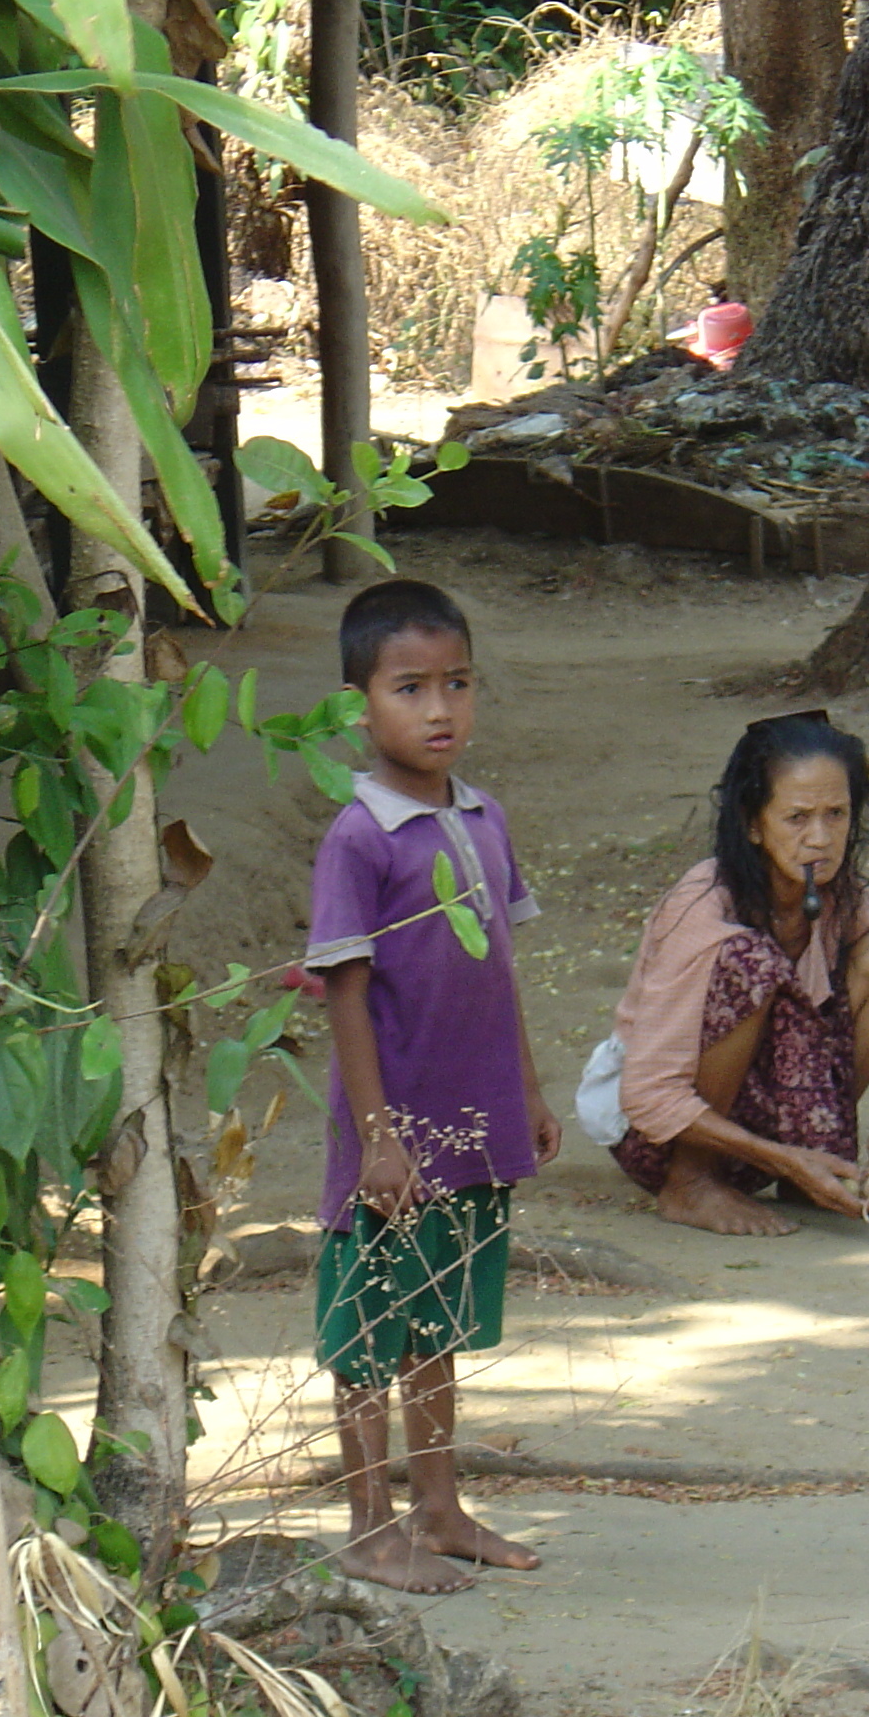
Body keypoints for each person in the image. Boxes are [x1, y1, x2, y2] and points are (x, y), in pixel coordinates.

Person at [304, 578, 563, 1594]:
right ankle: (370, 1524)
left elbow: (498, 971)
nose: (441, 710)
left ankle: (442, 1508)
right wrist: (378, 1138)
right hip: (393, 1131)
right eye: (410, 688)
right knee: (371, 1324)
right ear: (357, 707)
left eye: (458, 684)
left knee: (442, 1317)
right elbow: (346, 996)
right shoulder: (359, 838)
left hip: (472, 1120)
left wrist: (528, 1093)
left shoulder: (484, 818)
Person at [584, 712, 869, 1237]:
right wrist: (783, 1156)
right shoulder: (702, 906)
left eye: (837, 814)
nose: (820, 838)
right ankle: (692, 1185)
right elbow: (650, 1096)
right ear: (752, 823)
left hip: (773, 1123)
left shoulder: (848, 898)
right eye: (797, 818)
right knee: (750, 962)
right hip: (664, 1138)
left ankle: (816, 1169)